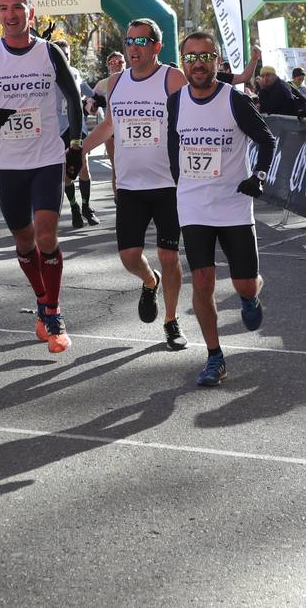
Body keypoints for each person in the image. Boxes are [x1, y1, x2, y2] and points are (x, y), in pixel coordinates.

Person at [0, 0, 86, 353]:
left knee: (46, 236)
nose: (11, 15)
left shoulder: (50, 53)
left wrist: (75, 145)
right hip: (8, 163)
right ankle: (43, 301)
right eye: (3, 8)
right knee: (24, 242)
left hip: (46, 157)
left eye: (18, 8)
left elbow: (73, 100)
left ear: (31, 13)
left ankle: (55, 314)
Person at [167, 31, 277, 387]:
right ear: (183, 62)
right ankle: (215, 356)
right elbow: (173, 146)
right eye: (191, 57)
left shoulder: (234, 100)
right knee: (202, 280)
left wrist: (258, 176)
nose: (198, 64)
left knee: (244, 282)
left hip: (232, 203)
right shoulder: (176, 101)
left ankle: (250, 297)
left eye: (206, 56)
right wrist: (179, 183)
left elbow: (266, 140)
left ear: (217, 61)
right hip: (193, 203)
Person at [78, 19, 189, 350]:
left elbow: (192, 118)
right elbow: (109, 125)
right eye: (129, 41)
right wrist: (78, 148)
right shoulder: (115, 82)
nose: (134, 47)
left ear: (157, 46)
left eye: (142, 41)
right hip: (130, 185)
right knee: (129, 257)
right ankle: (148, 280)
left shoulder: (172, 78)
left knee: (169, 256)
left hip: (169, 184)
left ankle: (171, 322)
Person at [53, 39, 98, 228]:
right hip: (58, 129)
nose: (65, 56)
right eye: (61, 53)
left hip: (77, 126)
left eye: (67, 53)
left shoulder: (75, 73)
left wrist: (98, 100)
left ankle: (87, 207)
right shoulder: (47, 75)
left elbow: (89, 92)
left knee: (84, 165)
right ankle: (74, 208)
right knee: (67, 172)